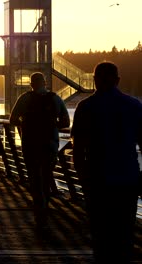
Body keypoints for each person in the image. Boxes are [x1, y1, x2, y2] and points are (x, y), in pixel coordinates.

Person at [71, 62, 142, 263]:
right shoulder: (134, 106)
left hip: (97, 180)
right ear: (117, 81)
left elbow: (77, 150)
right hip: (127, 179)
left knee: (101, 235)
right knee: (125, 233)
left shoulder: (85, 108)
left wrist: (82, 177)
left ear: (94, 81)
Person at [9, 72, 70, 226]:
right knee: (46, 175)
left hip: (30, 143)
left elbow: (12, 119)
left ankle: (39, 208)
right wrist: (51, 125)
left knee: (35, 177)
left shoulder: (24, 99)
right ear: (45, 82)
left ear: (31, 84)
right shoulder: (55, 98)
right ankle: (45, 206)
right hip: (50, 143)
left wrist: (26, 124)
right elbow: (66, 122)